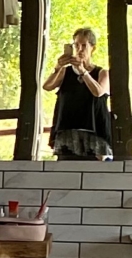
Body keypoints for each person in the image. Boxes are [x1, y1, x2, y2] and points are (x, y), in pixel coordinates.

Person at [43, 25, 114, 159]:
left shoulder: (102, 73)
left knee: (94, 168)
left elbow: (98, 92)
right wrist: (58, 67)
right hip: (68, 131)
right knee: (66, 167)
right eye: (76, 45)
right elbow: (47, 86)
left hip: (94, 132)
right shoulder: (65, 71)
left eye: (84, 45)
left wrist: (83, 71)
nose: (79, 49)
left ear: (93, 48)